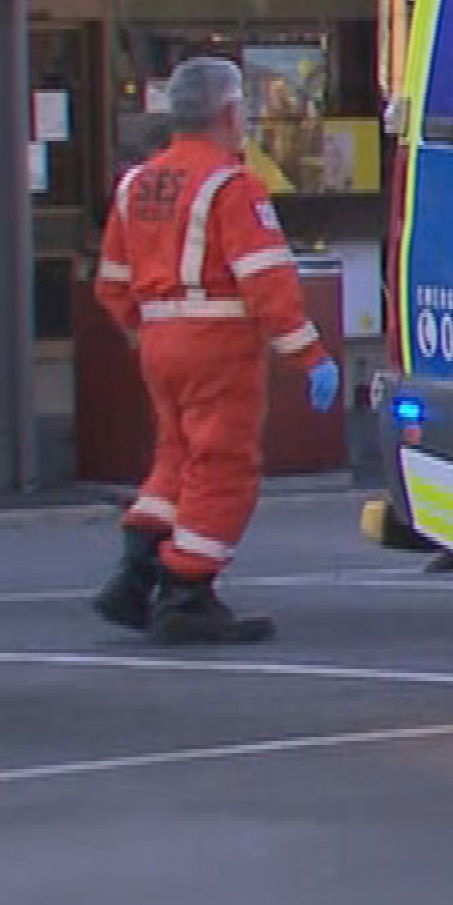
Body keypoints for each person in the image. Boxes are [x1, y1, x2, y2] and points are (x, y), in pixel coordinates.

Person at [89, 57, 339, 643]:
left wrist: (149, 329)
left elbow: (112, 283)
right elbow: (267, 282)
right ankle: (187, 591)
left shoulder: (136, 183)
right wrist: (311, 357)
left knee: (176, 457)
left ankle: (135, 573)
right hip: (217, 346)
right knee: (224, 466)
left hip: (159, 341)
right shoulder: (231, 184)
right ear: (229, 113)